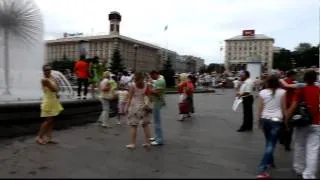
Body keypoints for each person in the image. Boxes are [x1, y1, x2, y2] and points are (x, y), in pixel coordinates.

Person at [288, 70, 320, 179]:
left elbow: (293, 106)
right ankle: (309, 174)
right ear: (315, 79)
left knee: (299, 145)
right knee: (313, 149)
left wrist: (287, 119)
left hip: (302, 122)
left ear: (305, 79)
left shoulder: (301, 90)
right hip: (316, 123)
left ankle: (299, 167)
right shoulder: (319, 90)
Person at [256, 75, 287, 179]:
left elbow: (260, 108)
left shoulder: (262, 92)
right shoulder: (282, 92)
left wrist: (258, 120)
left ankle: (270, 161)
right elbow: (283, 108)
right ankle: (262, 169)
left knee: (269, 142)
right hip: (276, 119)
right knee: (271, 143)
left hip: (265, 119)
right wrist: (286, 120)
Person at [36, 64, 64, 145]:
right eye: (47, 70)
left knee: (51, 121)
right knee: (48, 121)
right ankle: (39, 137)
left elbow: (57, 88)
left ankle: (49, 138)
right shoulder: (44, 80)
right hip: (48, 101)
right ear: (44, 71)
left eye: (50, 69)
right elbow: (54, 89)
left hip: (53, 101)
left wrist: (56, 90)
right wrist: (56, 90)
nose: (49, 71)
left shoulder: (51, 78)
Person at [125, 72, 152, 150]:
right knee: (145, 125)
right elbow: (149, 96)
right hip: (144, 106)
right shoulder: (147, 85)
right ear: (142, 78)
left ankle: (133, 144)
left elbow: (129, 98)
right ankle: (148, 142)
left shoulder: (133, 86)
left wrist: (126, 107)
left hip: (134, 108)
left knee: (134, 126)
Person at [279, 70, 297, 151]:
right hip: (290, 106)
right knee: (289, 125)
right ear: (292, 75)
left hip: (282, 105)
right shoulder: (292, 83)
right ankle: (287, 144)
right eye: (294, 75)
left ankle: (281, 139)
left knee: (282, 123)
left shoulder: (283, 82)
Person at [149, 70, 166, 146]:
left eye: (152, 76)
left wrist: (149, 90)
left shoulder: (160, 81)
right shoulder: (160, 79)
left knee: (157, 122)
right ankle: (157, 137)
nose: (152, 78)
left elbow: (157, 92)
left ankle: (159, 140)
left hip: (157, 103)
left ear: (155, 74)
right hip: (157, 102)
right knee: (156, 121)